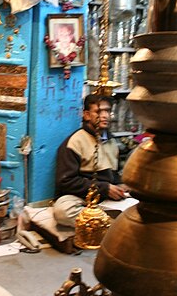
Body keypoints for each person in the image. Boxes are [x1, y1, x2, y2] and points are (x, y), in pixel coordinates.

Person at [53, 94, 128, 227]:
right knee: (62, 212)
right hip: (79, 198)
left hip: (104, 199)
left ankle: (102, 223)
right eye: (99, 111)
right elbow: (65, 182)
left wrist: (121, 186)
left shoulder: (112, 142)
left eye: (108, 111)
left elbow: (112, 176)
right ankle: (108, 225)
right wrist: (104, 188)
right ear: (87, 115)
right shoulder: (75, 142)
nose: (105, 116)